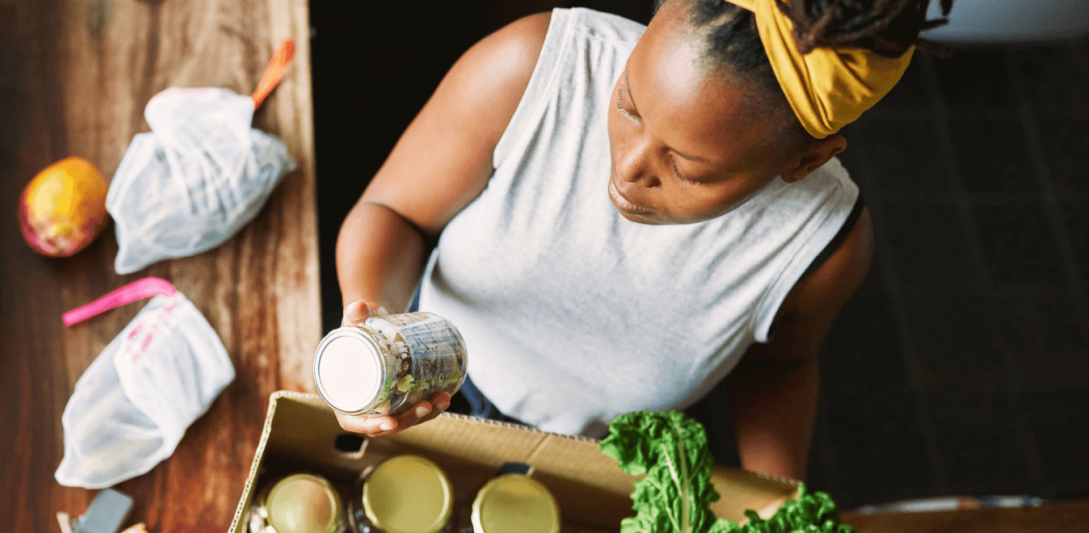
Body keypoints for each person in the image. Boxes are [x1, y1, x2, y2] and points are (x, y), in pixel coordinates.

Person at [331, 0, 947, 480]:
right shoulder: (535, 67)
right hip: (427, 370)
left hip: (593, 457)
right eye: (628, 105)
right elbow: (394, 212)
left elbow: (780, 363)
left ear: (807, 161)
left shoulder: (822, 248)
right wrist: (373, 328)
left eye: (689, 167)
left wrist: (775, 502)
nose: (627, 168)